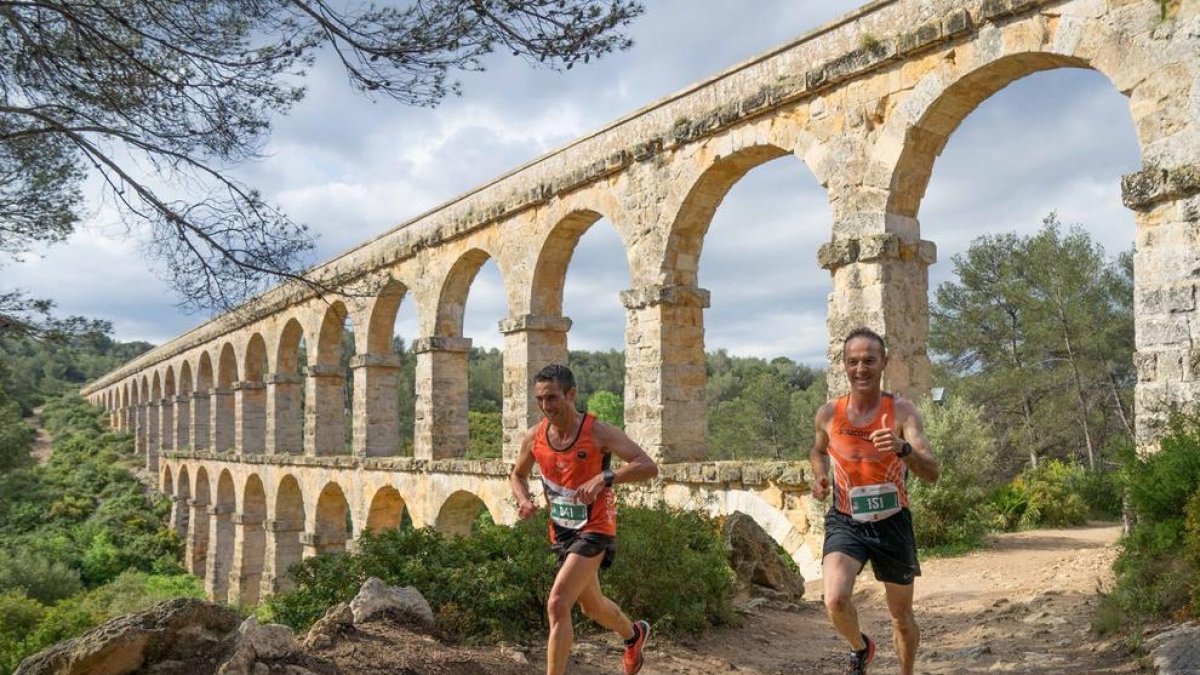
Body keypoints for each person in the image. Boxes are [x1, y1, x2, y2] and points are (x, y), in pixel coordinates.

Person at [510, 364, 659, 675]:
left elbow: (647, 465)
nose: (545, 406)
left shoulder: (597, 432)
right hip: (562, 531)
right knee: (591, 606)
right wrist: (523, 499)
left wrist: (606, 477)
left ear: (571, 394)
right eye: (539, 399)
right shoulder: (534, 437)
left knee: (557, 603)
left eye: (552, 398)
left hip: (596, 527)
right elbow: (518, 475)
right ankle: (634, 635)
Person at [810, 328, 940, 675]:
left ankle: (906, 672)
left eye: (869, 360)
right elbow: (818, 451)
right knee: (835, 599)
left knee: (900, 615)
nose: (861, 368)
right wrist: (820, 475)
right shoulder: (828, 413)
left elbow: (932, 472)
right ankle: (861, 647)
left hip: (892, 522)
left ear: (884, 362)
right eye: (853, 362)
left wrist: (903, 449)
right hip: (846, 520)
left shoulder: (901, 412)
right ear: (844, 366)